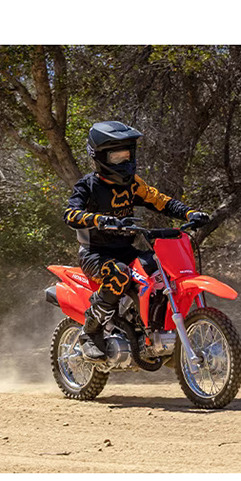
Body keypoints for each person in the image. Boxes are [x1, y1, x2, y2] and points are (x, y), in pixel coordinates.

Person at [63, 121, 209, 360]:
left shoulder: (133, 184)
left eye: (126, 155)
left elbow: (160, 200)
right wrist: (99, 219)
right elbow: (69, 214)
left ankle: (151, 329)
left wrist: (189, 213)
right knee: (118, 274)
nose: (124, 161)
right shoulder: (88, 186)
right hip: (95, 253)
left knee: (161, 269)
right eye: (116, 156)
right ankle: (90, 332)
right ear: (100, 156)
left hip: (125, 250)